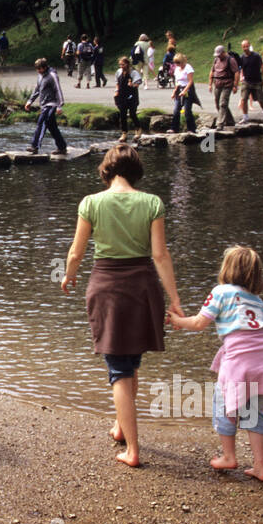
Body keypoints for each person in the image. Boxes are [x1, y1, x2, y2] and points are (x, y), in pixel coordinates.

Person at [61, 144, 182, 467]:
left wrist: (69, 276)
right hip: (143, 287)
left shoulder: (91, 203)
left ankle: (132, 450)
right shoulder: (152, 203)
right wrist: (175, 299)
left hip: (107, 287)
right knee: (132, 361)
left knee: (118, 371)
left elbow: (76, 252)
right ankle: (120, 425)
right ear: (135, 172)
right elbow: (160, 256)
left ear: (107, 171)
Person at [167, 246, 263, 482]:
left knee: (224, 407)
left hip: (242, 361)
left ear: (226, 268)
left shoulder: (221, 291)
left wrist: (177, 320)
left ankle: (229, 456)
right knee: (252, 414)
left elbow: (199, 323)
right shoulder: (257, 300)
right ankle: (260, 467)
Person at [22, 57, 67, 155]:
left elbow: (58, 90)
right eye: (37, 69)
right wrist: (30, 101)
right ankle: (62, 147)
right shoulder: (40, 75)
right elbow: (37, 89)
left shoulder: (52, 75)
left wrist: (60, 106)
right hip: (43, 104)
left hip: (51, 104)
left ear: (44, 67)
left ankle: (35, 146)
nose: (37, 71)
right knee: (52, 127)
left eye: (39, 69)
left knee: (41, 122)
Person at [236, 39, 263, 124]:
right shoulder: (241, 58)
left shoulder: (256, 56)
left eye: (247, 46)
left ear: (249, 46)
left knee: (260, 100)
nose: (245, 48)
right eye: (244, 47)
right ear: (242, 47)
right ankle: (245, 117)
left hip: (257, 81)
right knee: (244, 99)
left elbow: (262, 67)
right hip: (246, 81)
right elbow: (240, 69)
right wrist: (241, 77)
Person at [208, 44, 238, 128]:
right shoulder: (216, 60)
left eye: (219, 54)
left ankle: (220, 123)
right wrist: (210, 84)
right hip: (217, 84)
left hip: (227, 84)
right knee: (218, 104)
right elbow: (212, 71)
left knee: (223, 103)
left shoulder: (231, 60)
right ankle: (230, 121)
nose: (218, 56)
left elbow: (236, 72)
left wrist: (235, 85)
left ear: (223, 52)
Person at [170, 53, 197, 133]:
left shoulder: (188, 68)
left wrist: (185, 91)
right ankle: (174, 128)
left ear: (182, 62)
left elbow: (190, 81)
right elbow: (177, 81)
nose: (177, 65)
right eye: (176, 63)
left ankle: (191, 129)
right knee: (176, 110)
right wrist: (174, 91)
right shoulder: (177, 69)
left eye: (178, 63)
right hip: (179, 89)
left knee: (187, 110)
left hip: (188, 89)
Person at [114, 55, 139, 137]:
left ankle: (138, 129)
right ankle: (124, 132)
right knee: (122, 114)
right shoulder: (119, 72)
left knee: (132, 114)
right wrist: (116, 91)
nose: (121, 66)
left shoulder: (133, 72)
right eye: (120, 65)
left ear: (127, 64)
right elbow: (117, 83)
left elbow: (138, 83)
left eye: (123, 65)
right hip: (122, 95)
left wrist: (132, 85)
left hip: (132, 95)